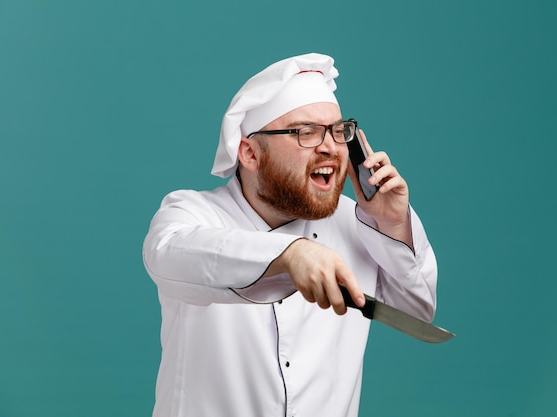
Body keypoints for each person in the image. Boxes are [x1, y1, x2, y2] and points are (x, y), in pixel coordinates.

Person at [142, 52, 438, 417]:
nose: (330, 146)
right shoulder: (192, 214)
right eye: (306, 133)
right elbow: (168, 254)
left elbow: (419, 310)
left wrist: (392, 225)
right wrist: (290, 254)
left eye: (338, 131)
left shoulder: (360, 222)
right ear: (250, 153)